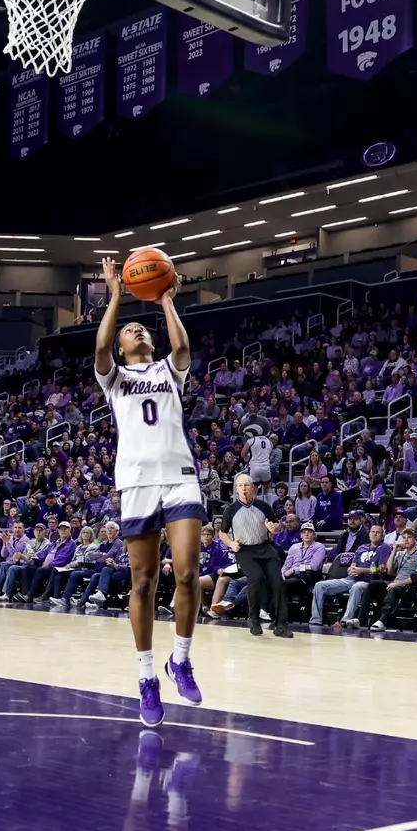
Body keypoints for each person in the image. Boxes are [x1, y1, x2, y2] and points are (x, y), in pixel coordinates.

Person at [94, 257, 208, 727]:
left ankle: (180, 659)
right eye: (130, 330)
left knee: (187, 572)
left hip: (179, 474)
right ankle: (146, 677)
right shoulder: (114, 378)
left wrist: (164, 301)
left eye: (143, 328)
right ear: (122, 347)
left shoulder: (168, 369)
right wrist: (117, 296)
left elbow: (183, 348)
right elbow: (99, 347)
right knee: (142, 582)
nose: (136, 331)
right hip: (136, 480)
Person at [217, 473, 291, 639]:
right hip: (244, 550)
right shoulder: (231, 510)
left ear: (253, 488)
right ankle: (254, 619)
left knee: (278, 582)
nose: (244, 488)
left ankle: (281, 625)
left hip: (265, 547)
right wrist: (231, 544)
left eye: (247, 485)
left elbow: (277, 525)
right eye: (240, 486)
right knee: (256, 578)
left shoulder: (263, 506)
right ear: (236, 489)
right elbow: (222, 533)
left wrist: (275, 528)